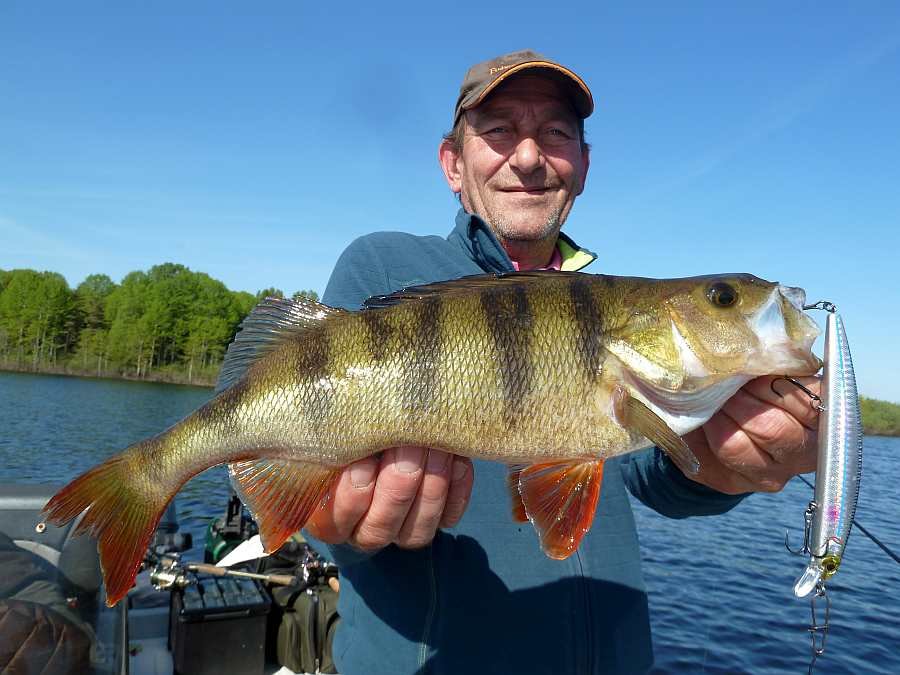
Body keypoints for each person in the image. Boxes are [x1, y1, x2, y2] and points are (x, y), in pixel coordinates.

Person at [305, 49, 819, 674]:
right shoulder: (386, 270)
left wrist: (725, 467)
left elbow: (646, 475)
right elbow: (291, 448)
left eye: (555, 133)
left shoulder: (598, 303)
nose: (528, 156)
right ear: (452, 163)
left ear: (582, 163)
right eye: (498, 130)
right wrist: (325, 517)